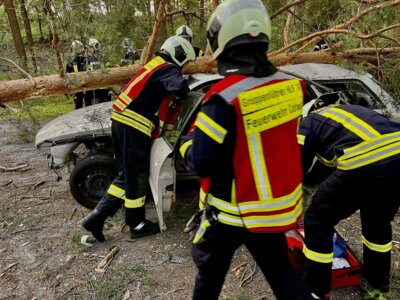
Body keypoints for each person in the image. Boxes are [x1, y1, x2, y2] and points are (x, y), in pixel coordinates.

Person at [179, 0, 313, 299]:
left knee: (209, 277)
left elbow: (201, 162)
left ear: (222, 40)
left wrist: (188, 143)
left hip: (232, 211)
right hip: (275, 209)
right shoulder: (291, 85)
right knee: (283, 275)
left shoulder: (223, 98)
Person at [80, 35, 195, 242]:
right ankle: (136, 224)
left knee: (125, 177)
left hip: (121, 123)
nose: (185, 67)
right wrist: (183, 89)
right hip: (134, 127)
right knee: (136, 177)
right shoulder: (168, 68)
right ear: (180, 54)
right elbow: (179, 87)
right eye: (186, 62)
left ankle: (96, 218)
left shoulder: (155, 64)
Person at [298, 97, 400, 299]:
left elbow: (298, 165)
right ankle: (377, 286)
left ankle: (316, 290)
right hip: (396, 161)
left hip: (364, 161)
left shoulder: (310, 122)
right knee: (377, 222)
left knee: (317, 220)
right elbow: (331, 166)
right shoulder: (348, 113)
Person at [65, 40, 93, 109]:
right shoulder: (71, 61)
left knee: (89, 105)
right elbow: (68, 75)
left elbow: (91, 71)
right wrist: (71, 90)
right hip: (76, 87)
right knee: (78, 106)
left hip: (87, 86)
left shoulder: (86, 58)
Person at [86, 38, 112, 104]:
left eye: (90, 47)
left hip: (105, 88)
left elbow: (110, 72)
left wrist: (111, 88)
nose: (89, 49)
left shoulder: (104, 58)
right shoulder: (88, 60)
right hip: (95, 89)